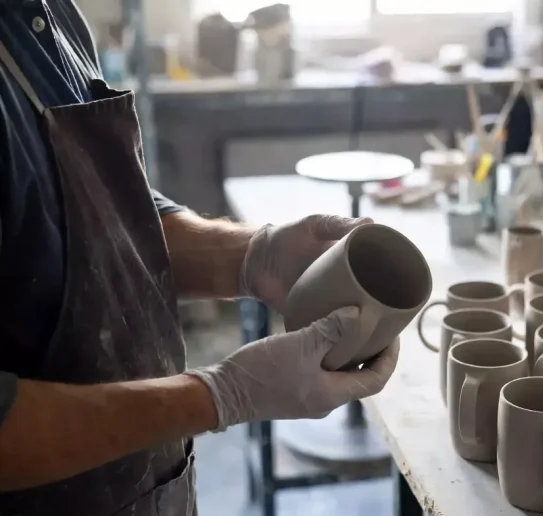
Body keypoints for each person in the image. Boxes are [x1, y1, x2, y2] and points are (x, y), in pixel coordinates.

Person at [0, 1, 400, 514]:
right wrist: (219, 395)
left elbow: (103, 217)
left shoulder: (51, 16)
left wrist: (253, 256)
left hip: (143, 490)